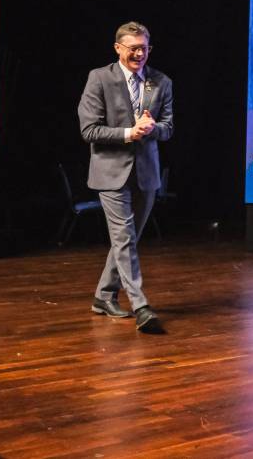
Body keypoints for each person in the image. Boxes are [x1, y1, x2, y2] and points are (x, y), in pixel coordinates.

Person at [77, 21, 173, 334]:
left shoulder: (161, 81)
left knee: (127, 239)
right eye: (133, 48)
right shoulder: (99, 78)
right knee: (125, 238)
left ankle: (104, 296)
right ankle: (141, 305)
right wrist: (128, 133)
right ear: (118, 48)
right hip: (111, 172)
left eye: (144, 48)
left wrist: (152, 128)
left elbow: (168, 128)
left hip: (146, 174)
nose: (139, 54)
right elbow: (89, 130)